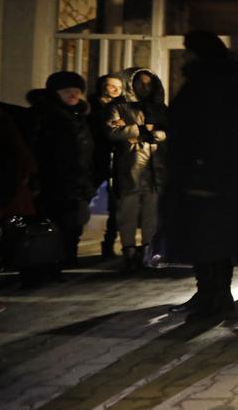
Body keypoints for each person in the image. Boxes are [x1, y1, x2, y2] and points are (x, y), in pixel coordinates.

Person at [160, 31, 238, 322]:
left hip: (205, 175)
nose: (184, 56)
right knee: (211, 237)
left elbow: (207, 132)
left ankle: (214, 296)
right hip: (215, 174)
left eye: (188, 50)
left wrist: (196, 167)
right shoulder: (218, 83)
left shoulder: (208, 85)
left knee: (206, 237)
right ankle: (212, 293)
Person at [28, 72, 95, 267]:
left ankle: (66, 260)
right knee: (52, 224)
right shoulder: (44, 116)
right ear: (54, 93)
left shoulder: (80, 116)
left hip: (76, 181)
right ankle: (49, 263)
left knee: (73, 224)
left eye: (76, 91)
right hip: (52, 181)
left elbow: (86, 151)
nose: (72, 95)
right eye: (66, 91)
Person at [105, 68, 167, 270]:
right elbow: (112, 131)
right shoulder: (119, 105)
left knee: (153, 211)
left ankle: (149, 251)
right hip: (129, 164)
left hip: (155, 166)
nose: (145, 87)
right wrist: (141, 130)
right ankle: (129, 250)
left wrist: (151, 134)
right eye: (140, 82)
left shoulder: (159, 108)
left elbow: (168, 131)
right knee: (128, 211)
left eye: (149, 83)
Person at [89, 74, 124, 258]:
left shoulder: (123, 108)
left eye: (119, 86)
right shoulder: (90, 108)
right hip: (94, 159)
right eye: (111, 86)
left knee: (116, 204)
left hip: (116, 159)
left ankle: (109, 243)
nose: (116, 90)